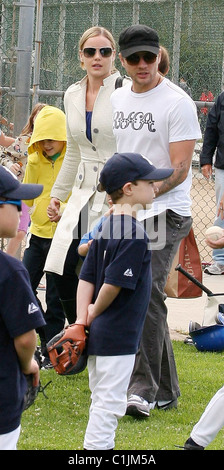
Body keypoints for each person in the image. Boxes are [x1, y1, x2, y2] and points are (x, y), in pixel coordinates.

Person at [111, 24, 202, 417]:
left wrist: (141, 197)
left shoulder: (176, 102)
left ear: (158, 55)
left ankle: (142, 390)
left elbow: (181, 169)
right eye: (135, 59)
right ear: (123, 60)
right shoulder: (118, 98)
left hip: (167, 210)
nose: (143, 65)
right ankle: (165, 390)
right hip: (127, 209)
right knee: (134, 291)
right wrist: (119, 201)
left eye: (150, 57)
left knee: (144, 292)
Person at [75, 152, 174, 450]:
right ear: (129, 188)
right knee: (109, 407)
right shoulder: (134, 234)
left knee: (100, 399)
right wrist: (93, 311)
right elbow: (113, 285)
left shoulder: (105, 228)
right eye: (149, 182)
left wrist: (82, 318)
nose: (156, 186)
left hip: (100, 335)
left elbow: (86, 278)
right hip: (117, 337)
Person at [44, 26, 130, 325]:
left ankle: (100, 332)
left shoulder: (126, 91)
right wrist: (57, 195)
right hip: (82, 195)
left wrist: (122, 197)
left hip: (115, 195)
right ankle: (79, 330)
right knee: (61, 267)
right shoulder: (72, 93)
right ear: (81, 57)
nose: (97, 57)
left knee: (102, 270)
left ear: (114, 57)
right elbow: (74, 152)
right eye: (90, 51)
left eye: (104, 51)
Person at [0, 166, 45, 450]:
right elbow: (26, 338)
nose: (22, 211)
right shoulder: (9, 270)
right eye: (17, 204)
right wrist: (29, 363)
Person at [22, 105, 68, 368]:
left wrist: (62, 208)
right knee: (25, 285)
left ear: (63, 136)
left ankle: (51, 348)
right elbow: (28, 197)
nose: (46, 145)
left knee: (55, 295)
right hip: (38, 234)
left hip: (61, 237)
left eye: (50, 139)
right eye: (41, 140)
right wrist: (31, 162)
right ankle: (42, 335)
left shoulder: (72, 160)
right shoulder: (36, 159)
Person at [0, 103, 46, 257]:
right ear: (32, 120)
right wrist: (11, 164)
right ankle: (7, 261)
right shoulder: (26, 140)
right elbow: (4, 154)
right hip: (25, 188)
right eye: (37, 116)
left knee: (35, 232)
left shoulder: (55, 143)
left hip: (44, 192)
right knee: (20, 232)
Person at [200, 91, 224, 275]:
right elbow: (211, 128)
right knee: (222, 212)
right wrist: (206, 158)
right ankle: (221, 260)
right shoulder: (222, 98)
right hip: (223, 165)